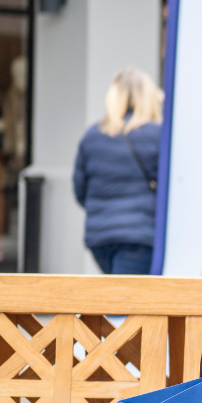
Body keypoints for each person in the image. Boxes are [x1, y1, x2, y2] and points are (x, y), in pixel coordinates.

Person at [72, 68, 162, 274]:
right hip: (140, 237)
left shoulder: (92, 135)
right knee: (127, 294)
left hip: (100, 239)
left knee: (117, 290)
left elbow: (80, 191)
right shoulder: (157, 135)